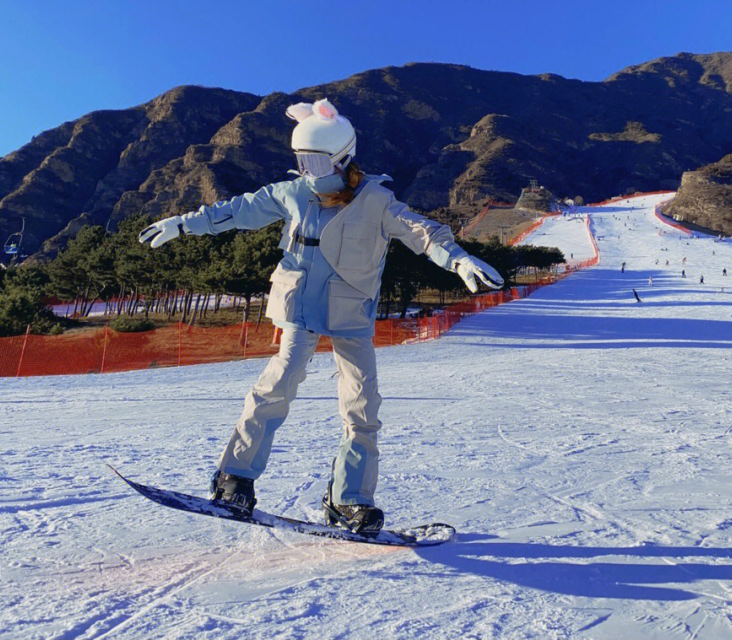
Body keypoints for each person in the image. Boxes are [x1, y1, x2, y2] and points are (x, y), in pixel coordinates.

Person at [139, 99, 502, 536]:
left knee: (362, 404)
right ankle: (234, 478)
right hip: (302, 307)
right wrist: (185, 223)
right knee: (278, 384)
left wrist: (458, 260)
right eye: (301, 161)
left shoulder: (376, 200)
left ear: (343, 157)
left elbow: (423, 232)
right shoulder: (294, 193)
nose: (308, 171)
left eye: (315, 160)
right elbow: (237, 210)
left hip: (350, 310)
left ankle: (349, 499)